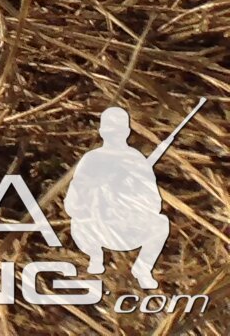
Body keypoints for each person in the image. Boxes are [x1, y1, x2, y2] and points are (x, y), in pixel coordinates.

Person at [63, 108, 170, 288]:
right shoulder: (91, 159)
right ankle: (95, 257)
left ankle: (142, 268)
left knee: (161, 223)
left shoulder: (136, 159)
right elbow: (73, 201)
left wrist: (129, 203)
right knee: (77, 223)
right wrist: (96, 204)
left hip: (128, 228)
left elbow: (153, 202)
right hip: (95, 228)